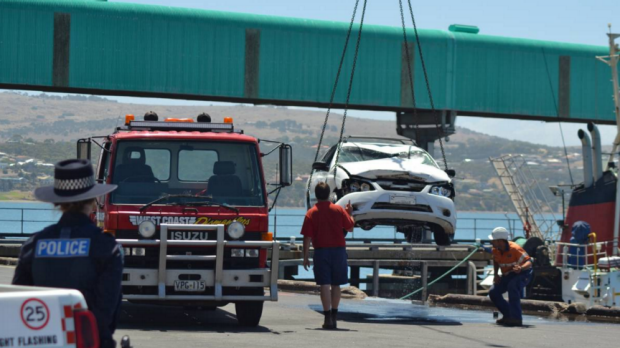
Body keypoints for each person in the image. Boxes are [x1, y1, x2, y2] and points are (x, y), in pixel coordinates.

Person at [13, 159, 123, 348]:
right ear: (92, 199)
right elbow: (107, 312)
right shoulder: (106, 247)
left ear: (58, 202)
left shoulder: (34, 244)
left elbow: (19, 302)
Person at [301, 182, 355, 329]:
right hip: (338, 251)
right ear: (329, 194)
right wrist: (349, 213)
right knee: (336, 284)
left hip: (321, 251)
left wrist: (305, 257)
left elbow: (306, 237)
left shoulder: (311, 213)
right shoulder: (338, 210)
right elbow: (350, 228)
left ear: (316, 195)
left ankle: (327, 318)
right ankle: (335, 316)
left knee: (324, 285)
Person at [487, 227, 533, 327]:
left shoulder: (515, 249)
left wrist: (520, 267)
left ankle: (516, 318)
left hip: (523, 273)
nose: (491, 241)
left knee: (512, 286)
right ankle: (508, 315)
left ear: (500, 241)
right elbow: (496, 260)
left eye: (493, 240)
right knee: (493, 292)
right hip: (508, 274)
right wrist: (496, 274)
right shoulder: (495, 250)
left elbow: (529, 262)